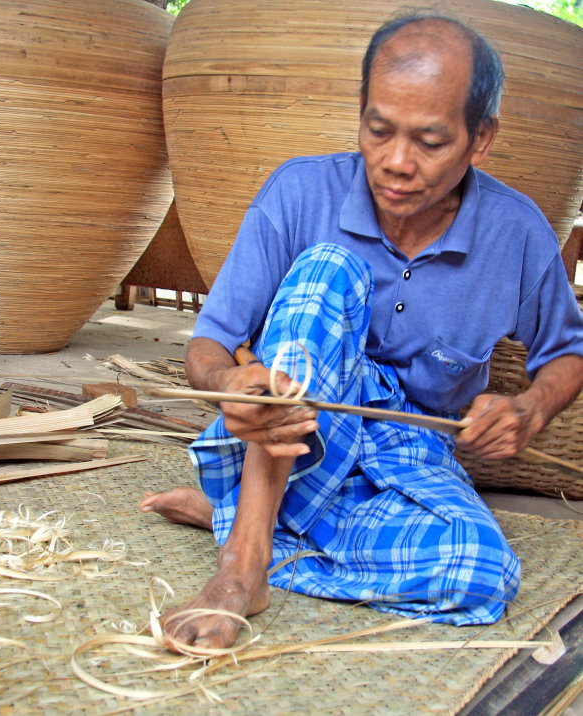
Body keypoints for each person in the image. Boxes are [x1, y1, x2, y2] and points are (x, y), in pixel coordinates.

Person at [140, 13, 583, 652]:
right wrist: (227, 382)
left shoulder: (516, 232)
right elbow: (210, 343)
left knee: (480, 574)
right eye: (379, 131)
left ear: (480, 139)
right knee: (328, 269)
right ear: (361, 112)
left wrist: (531, 406)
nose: (395, 163)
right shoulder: (298, 192)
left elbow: (568, 351)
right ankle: (243, 562)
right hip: (288, 438)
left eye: (430, 142)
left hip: (410, 454)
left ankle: (233, 519)